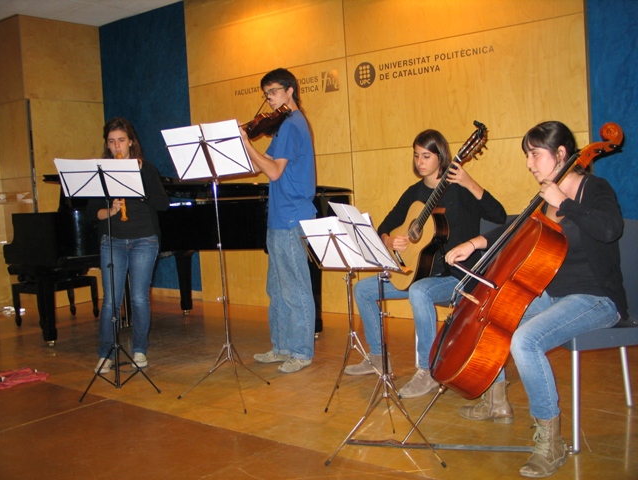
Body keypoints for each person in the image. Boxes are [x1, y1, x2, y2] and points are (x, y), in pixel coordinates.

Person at [445, 121, 628, 478]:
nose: (529, 164)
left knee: (525, 340)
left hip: (597, 298)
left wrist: (565, 203)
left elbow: (610, 229)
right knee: (497, 317)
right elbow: (516, 228)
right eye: (527, 156)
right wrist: (474, 243)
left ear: (561, 154)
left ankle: (550, 441)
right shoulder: (546, 197)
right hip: (555, 293)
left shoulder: (594, 189)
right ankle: (496, 400)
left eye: (535, 154)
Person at [345, 129, 507, 401]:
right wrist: (390, 241)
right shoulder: (415, 192)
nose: (420, 162)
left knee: (420, 291)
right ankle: (378, 358)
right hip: (419, 273)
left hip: (457, 275)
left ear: (441, 156)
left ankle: (428, 371)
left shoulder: (460, 190)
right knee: (363, 290)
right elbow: (384, 227)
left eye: (426, 156)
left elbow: (499, 216)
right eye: (416, 155)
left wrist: (469, 182)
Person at [239, 68, 316, 374]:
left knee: (295, 290)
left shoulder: (292, 124)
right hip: (280, 217)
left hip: (292, 217)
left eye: (273, 92)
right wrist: (240, 147)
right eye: (266, 94)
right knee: (277, 289)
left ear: (290, 91)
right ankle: (282, 346)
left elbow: (272, 171)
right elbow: (264, 165)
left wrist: (246, 143)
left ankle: (301, 352)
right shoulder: (285, 125)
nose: (269, 99)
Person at [88, 117, 170, 374]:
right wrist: (111, 211)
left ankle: (139, 350)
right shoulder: (101, 172)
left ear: (131, 142)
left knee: (138, 298)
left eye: (121, 140)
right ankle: (106, 353)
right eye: (112, 142)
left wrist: (140, 192)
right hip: (112, 240)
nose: (117, 146)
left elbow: (163, 204)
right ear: (107, 145)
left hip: (144, 239)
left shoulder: (146, 169)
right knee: (110, 301)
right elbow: (93, 213)